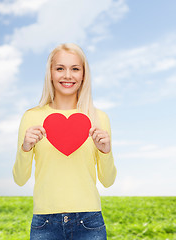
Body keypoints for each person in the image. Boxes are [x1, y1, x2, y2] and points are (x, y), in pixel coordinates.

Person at [13, 43, 117, 240]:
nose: (67, 75)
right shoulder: (31, 117)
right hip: (45, 222)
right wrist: (25, 148)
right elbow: (19, 179)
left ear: (84, 75)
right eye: (60, 68)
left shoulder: (99, 117)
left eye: (75, 69)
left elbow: (108, 180)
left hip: (89, 222)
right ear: (50, 73)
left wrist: (105, 152)